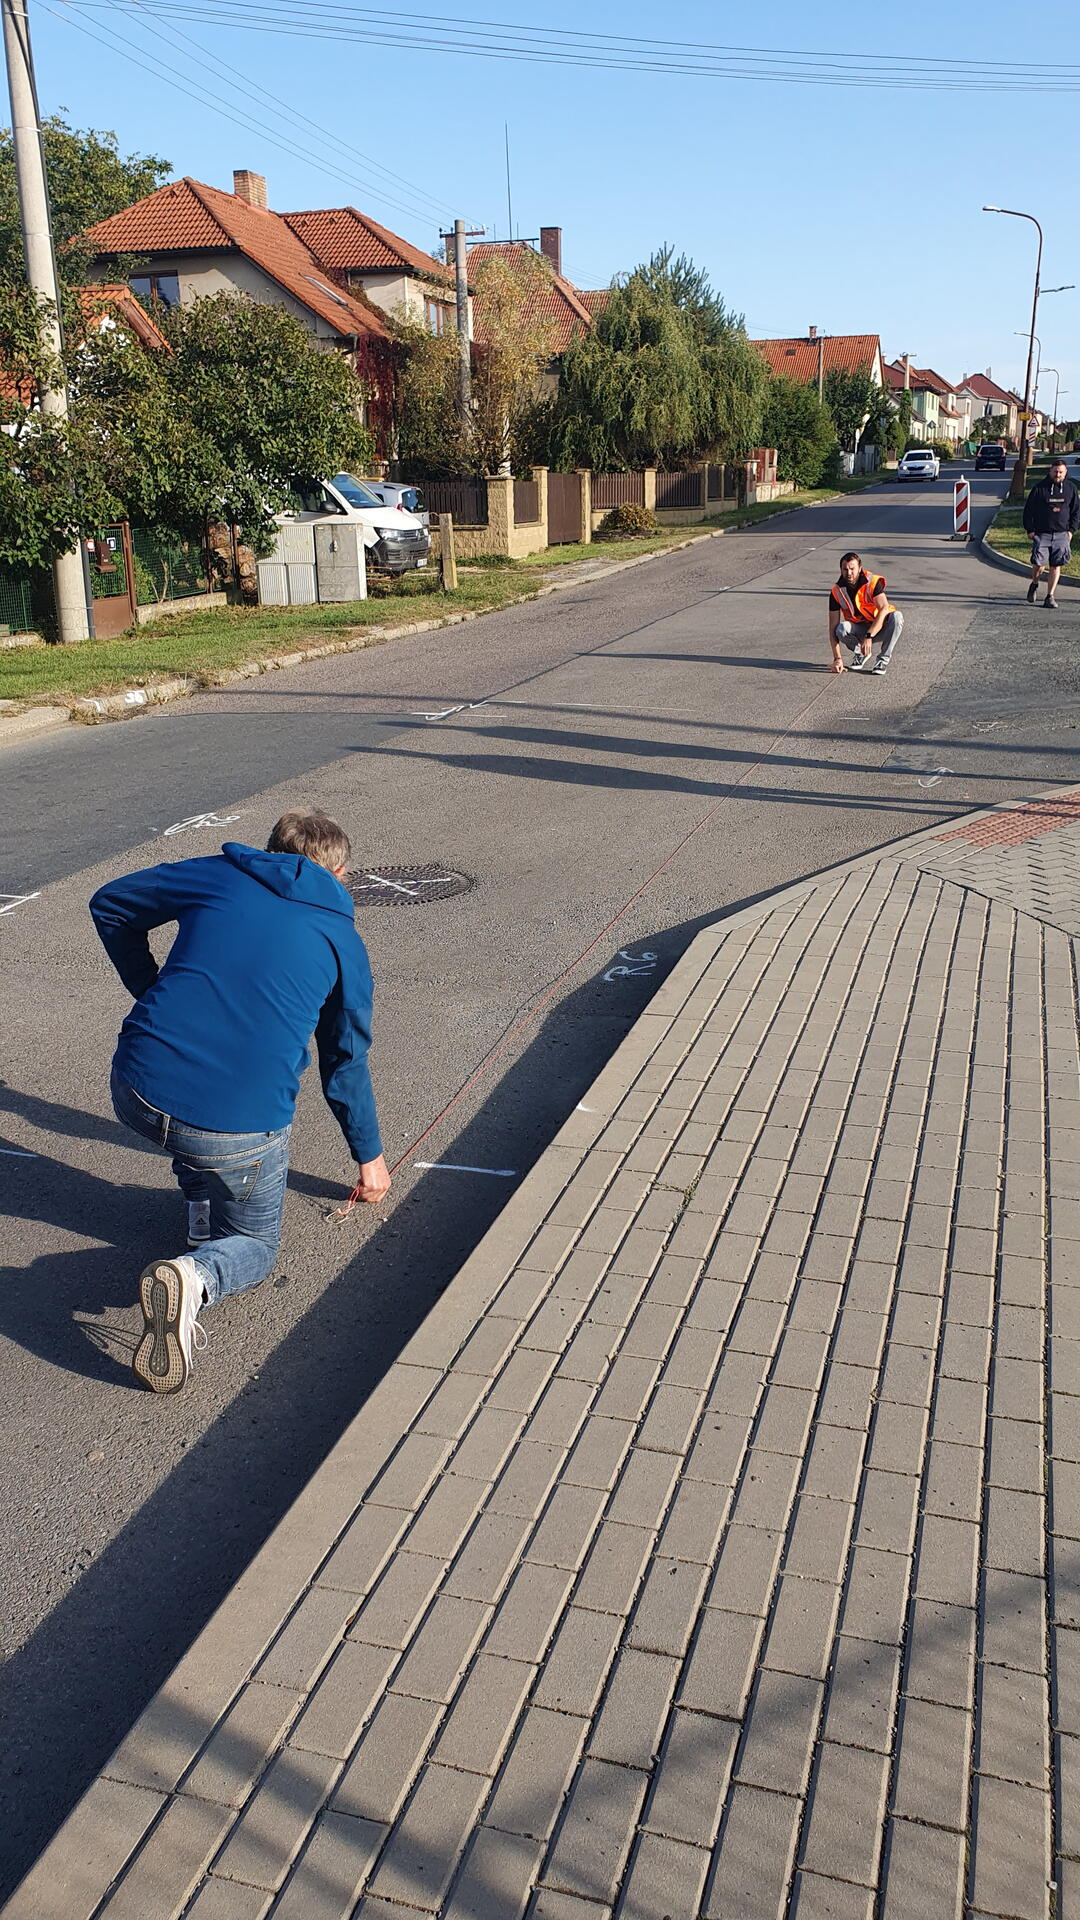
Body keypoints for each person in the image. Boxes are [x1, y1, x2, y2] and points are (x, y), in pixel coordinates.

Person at [90, 809, 390, 1395]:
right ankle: (196, 1275)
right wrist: (370, 1158)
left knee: (188, 1130)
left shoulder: (219, 874)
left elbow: (110, 903)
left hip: (136, 1088)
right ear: (341, 872)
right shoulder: (343, 944)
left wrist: (148, 988)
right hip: (234, 1126)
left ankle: (201, 1218)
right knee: (255, 1245)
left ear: (271, 851)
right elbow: (344, 1063)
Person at [828, 552, 904, 676]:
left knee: (897, 617)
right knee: (840, 629)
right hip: (859, 630)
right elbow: (832, 628)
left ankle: (882, 660)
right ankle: (861, 652)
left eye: (852, 569)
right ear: (840, 570)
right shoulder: (837, 591)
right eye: (845, 569)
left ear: (860, 569)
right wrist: (837, 659)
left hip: (880, 627)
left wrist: (869, 636)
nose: (849, 573)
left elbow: (884, 608)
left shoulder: (872, 582)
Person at [1022, 455, 1079, 609]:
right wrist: (1030, 530)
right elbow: (1029, 511)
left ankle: (1050, 596)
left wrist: (1071, 531)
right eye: (1055, 472)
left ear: (1066, 472)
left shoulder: (1071, 489)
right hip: (1042, 533)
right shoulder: (1039, 488)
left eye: (1061, 472)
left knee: (1056, 565)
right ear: (1050, 471)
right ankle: (1034, 583)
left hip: (1062, 534)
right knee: (1039, 565)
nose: (1058, 475)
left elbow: (1076, 512)